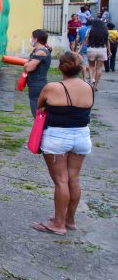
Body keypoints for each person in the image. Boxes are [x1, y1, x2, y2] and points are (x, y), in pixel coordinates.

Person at [31, 52, 94, 236]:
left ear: (60, 68)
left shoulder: (52, 87)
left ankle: (58, 224)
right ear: (80, 67)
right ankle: (70, 220)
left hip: (57, 137)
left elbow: (40, 106)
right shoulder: (89, 88)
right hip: (82, 136)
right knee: (74, 179)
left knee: (61, 181)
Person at [22, 29, 51, 117]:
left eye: (32, 37)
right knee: (37, 113)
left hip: (37, 85)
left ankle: (41, 130)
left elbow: (29, 68)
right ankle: (40, 130)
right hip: (34, 84)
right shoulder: (37, 51)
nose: (30, 39)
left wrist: (27, 64)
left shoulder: (41, 51)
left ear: (36, 39)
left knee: (38, 114)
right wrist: (28, 63)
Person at [82, 19, 110, 90]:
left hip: (91, 49)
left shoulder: (90, 30)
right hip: (102, 50)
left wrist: (80, 48)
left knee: (91, 66)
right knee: (99, 68)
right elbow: (107, 42)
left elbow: (86, 40)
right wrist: (109, 51)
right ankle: (96, 85)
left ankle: (92, 80)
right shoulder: (105, 31)